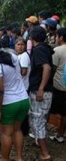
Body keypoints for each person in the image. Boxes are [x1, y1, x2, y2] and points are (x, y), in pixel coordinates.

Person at [0, 36, 29, 161]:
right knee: (17, 129)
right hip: (24, 99)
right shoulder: (13, 57)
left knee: (6, 133)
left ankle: (5, 159)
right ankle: (19, 158)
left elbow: (0, 91)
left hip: (9, 103)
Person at [29, 26, 54, 161]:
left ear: (32, 38)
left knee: (37, 120)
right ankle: (39, 142)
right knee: (41, 119)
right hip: (47, 90)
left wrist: (40, 88)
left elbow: (47, 68)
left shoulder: (38, 50)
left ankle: (45, 153)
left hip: (41, 90)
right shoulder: (46, 48)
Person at [49, 27, 66, 143]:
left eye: (57, 36)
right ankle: (61, 133)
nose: (56, 38)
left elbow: (52, 69)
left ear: (60, 37)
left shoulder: (58, 50)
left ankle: (40, 133)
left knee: (50, 108)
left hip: (59, 85)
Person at [14, 38, 31, 136]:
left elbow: (24, 72)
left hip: (23, 86)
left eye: (22, 45)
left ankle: (23, 130)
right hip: (21, 86)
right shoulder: (19, 56)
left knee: (22, 111)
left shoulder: (24, 56)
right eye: (18, 44)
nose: (20, 47)